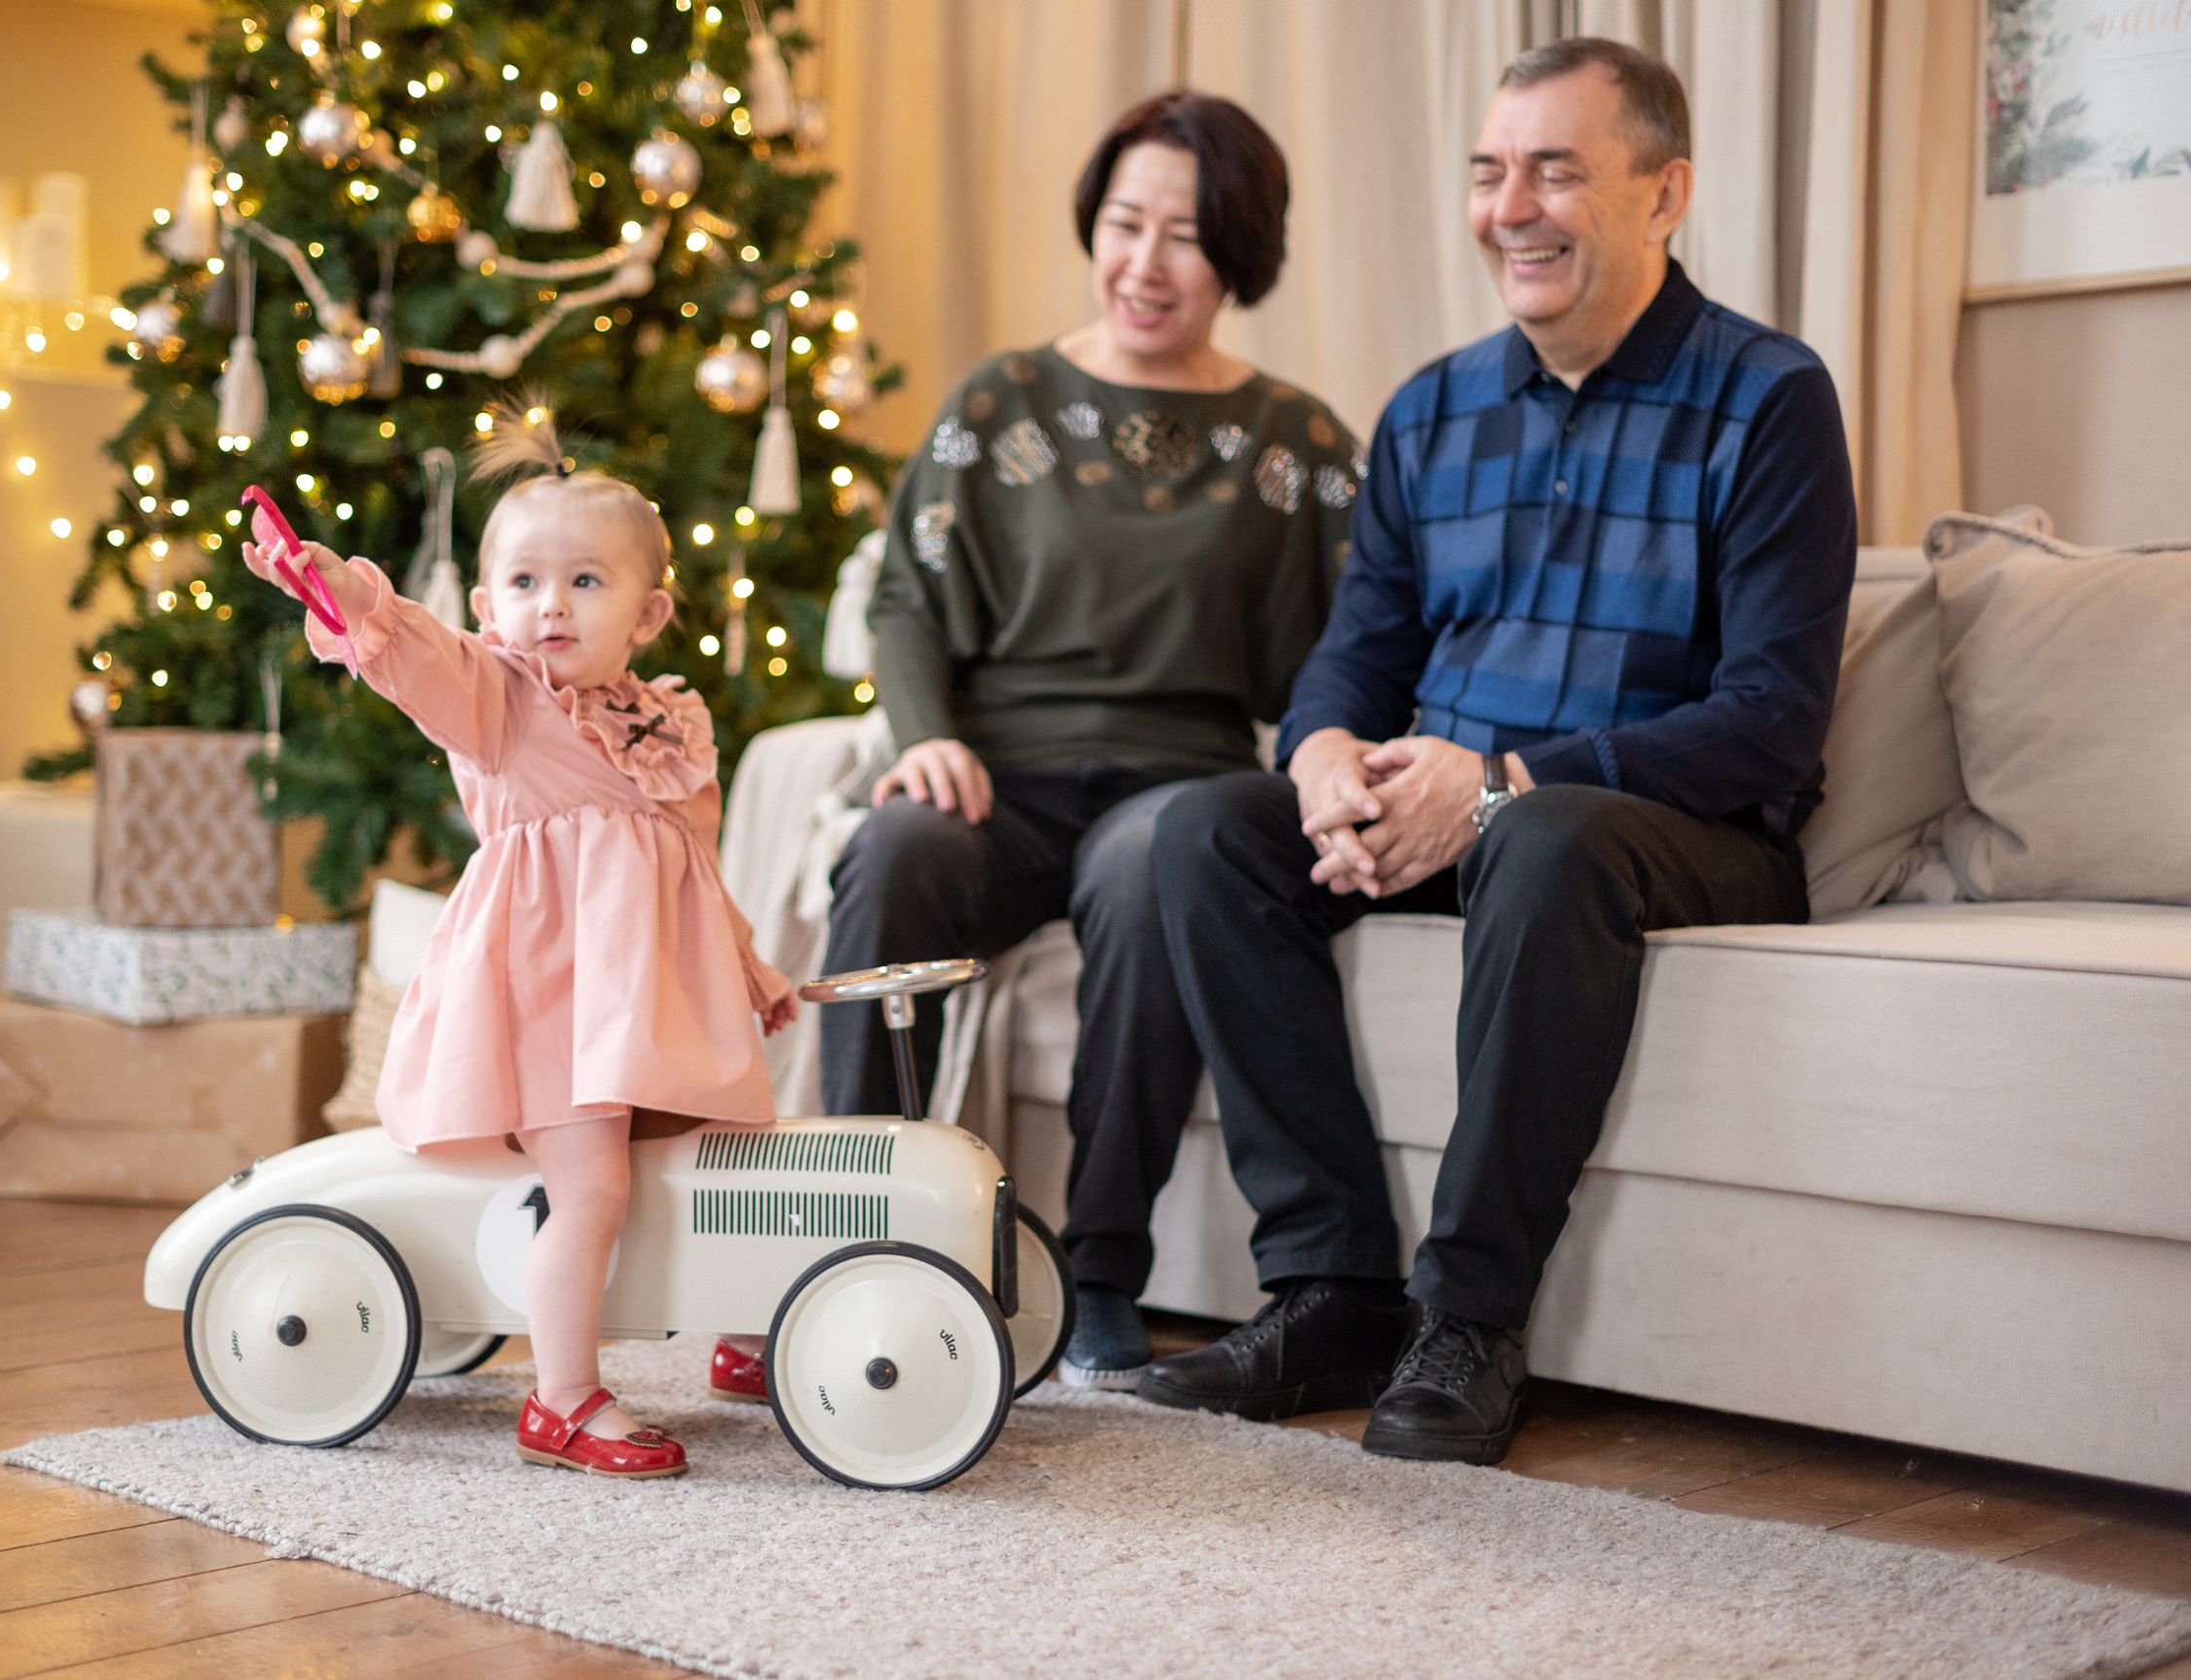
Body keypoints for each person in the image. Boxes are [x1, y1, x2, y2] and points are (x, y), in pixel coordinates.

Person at [1135, 38, 1856, 1463]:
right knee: (1205, 832)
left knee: (1544, 833)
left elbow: (1772, 716)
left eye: (1555, 172)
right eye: (1488, 173)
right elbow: (1362, 645)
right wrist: (1333, 746)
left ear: (1665, 196)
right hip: (1465, 816)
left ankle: (1467, 1316)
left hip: (1668, 834)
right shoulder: (1432, 410)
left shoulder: (1769, 399)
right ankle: (1331, 1285)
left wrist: (1502, 780)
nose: (1510, 206)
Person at [822, 91, 1360, 1389]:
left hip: (1180, 788)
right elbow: (907, 592)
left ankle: (1100, 1264)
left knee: (1146, 867)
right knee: (894, 848)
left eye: (1185, 233)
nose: (1146, 263)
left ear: (1242, 250)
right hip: (997, 777)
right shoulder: (1002, 403)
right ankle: (857, 1242)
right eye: (1125, 224)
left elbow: (1349, 643)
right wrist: (926, 736)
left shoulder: (1297, 443)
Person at [241, 411, 797, 1479]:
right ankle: (563, 1396)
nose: (554, 604)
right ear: (491, 606)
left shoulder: (668, 723)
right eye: (527, 583)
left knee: (704, 1153)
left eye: (587, 581)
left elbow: (692, 864)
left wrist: (748, 960)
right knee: (589, 1183)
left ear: (650, 613)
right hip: (551, 994)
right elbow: (416, 648)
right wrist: (344, 590)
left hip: (650, 998)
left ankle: (741, 1327)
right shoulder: (498, 698)